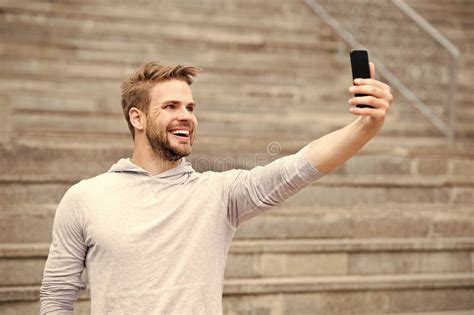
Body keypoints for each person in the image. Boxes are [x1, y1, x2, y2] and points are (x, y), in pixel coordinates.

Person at [40, 61, 393, 314]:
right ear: (137, 117)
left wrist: (365, 129)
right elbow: (56, 297)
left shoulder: (218, 194)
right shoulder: (85, 197)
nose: (187, 116)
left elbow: (297, 168)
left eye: (191, 107)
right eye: (171, 106)